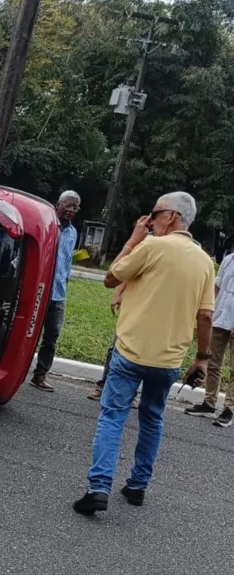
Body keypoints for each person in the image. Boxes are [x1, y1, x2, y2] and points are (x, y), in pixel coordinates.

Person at [73, 192, 215, 516]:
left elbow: (111, 279)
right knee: (152, 418)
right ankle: (137, 486)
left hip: (130, 352)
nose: (149, 220)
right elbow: (205, 316)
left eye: (154, 213)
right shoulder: (205, 262)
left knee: (113, 416)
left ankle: (98, 487)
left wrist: (133, 240)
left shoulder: (151, 247)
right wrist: (202, 359)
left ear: (172, 217)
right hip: (168, 361)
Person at [30, 191, 81, 392]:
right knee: (29, 334)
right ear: (58, 204)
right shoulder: (48, 226)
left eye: (75, 207)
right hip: (39, 292)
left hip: (58, 294)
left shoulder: (73, 232)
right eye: (67, 205)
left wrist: (65, 283)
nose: (70, 210)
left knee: (52, 335)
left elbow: (67, 262)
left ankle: (40, 375)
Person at [184, 250, 234, 426]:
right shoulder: (228, 259)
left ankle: (229, 409)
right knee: (212, 363)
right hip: (220, 317)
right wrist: (208, 310)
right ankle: (209, 402)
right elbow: (217, 287)